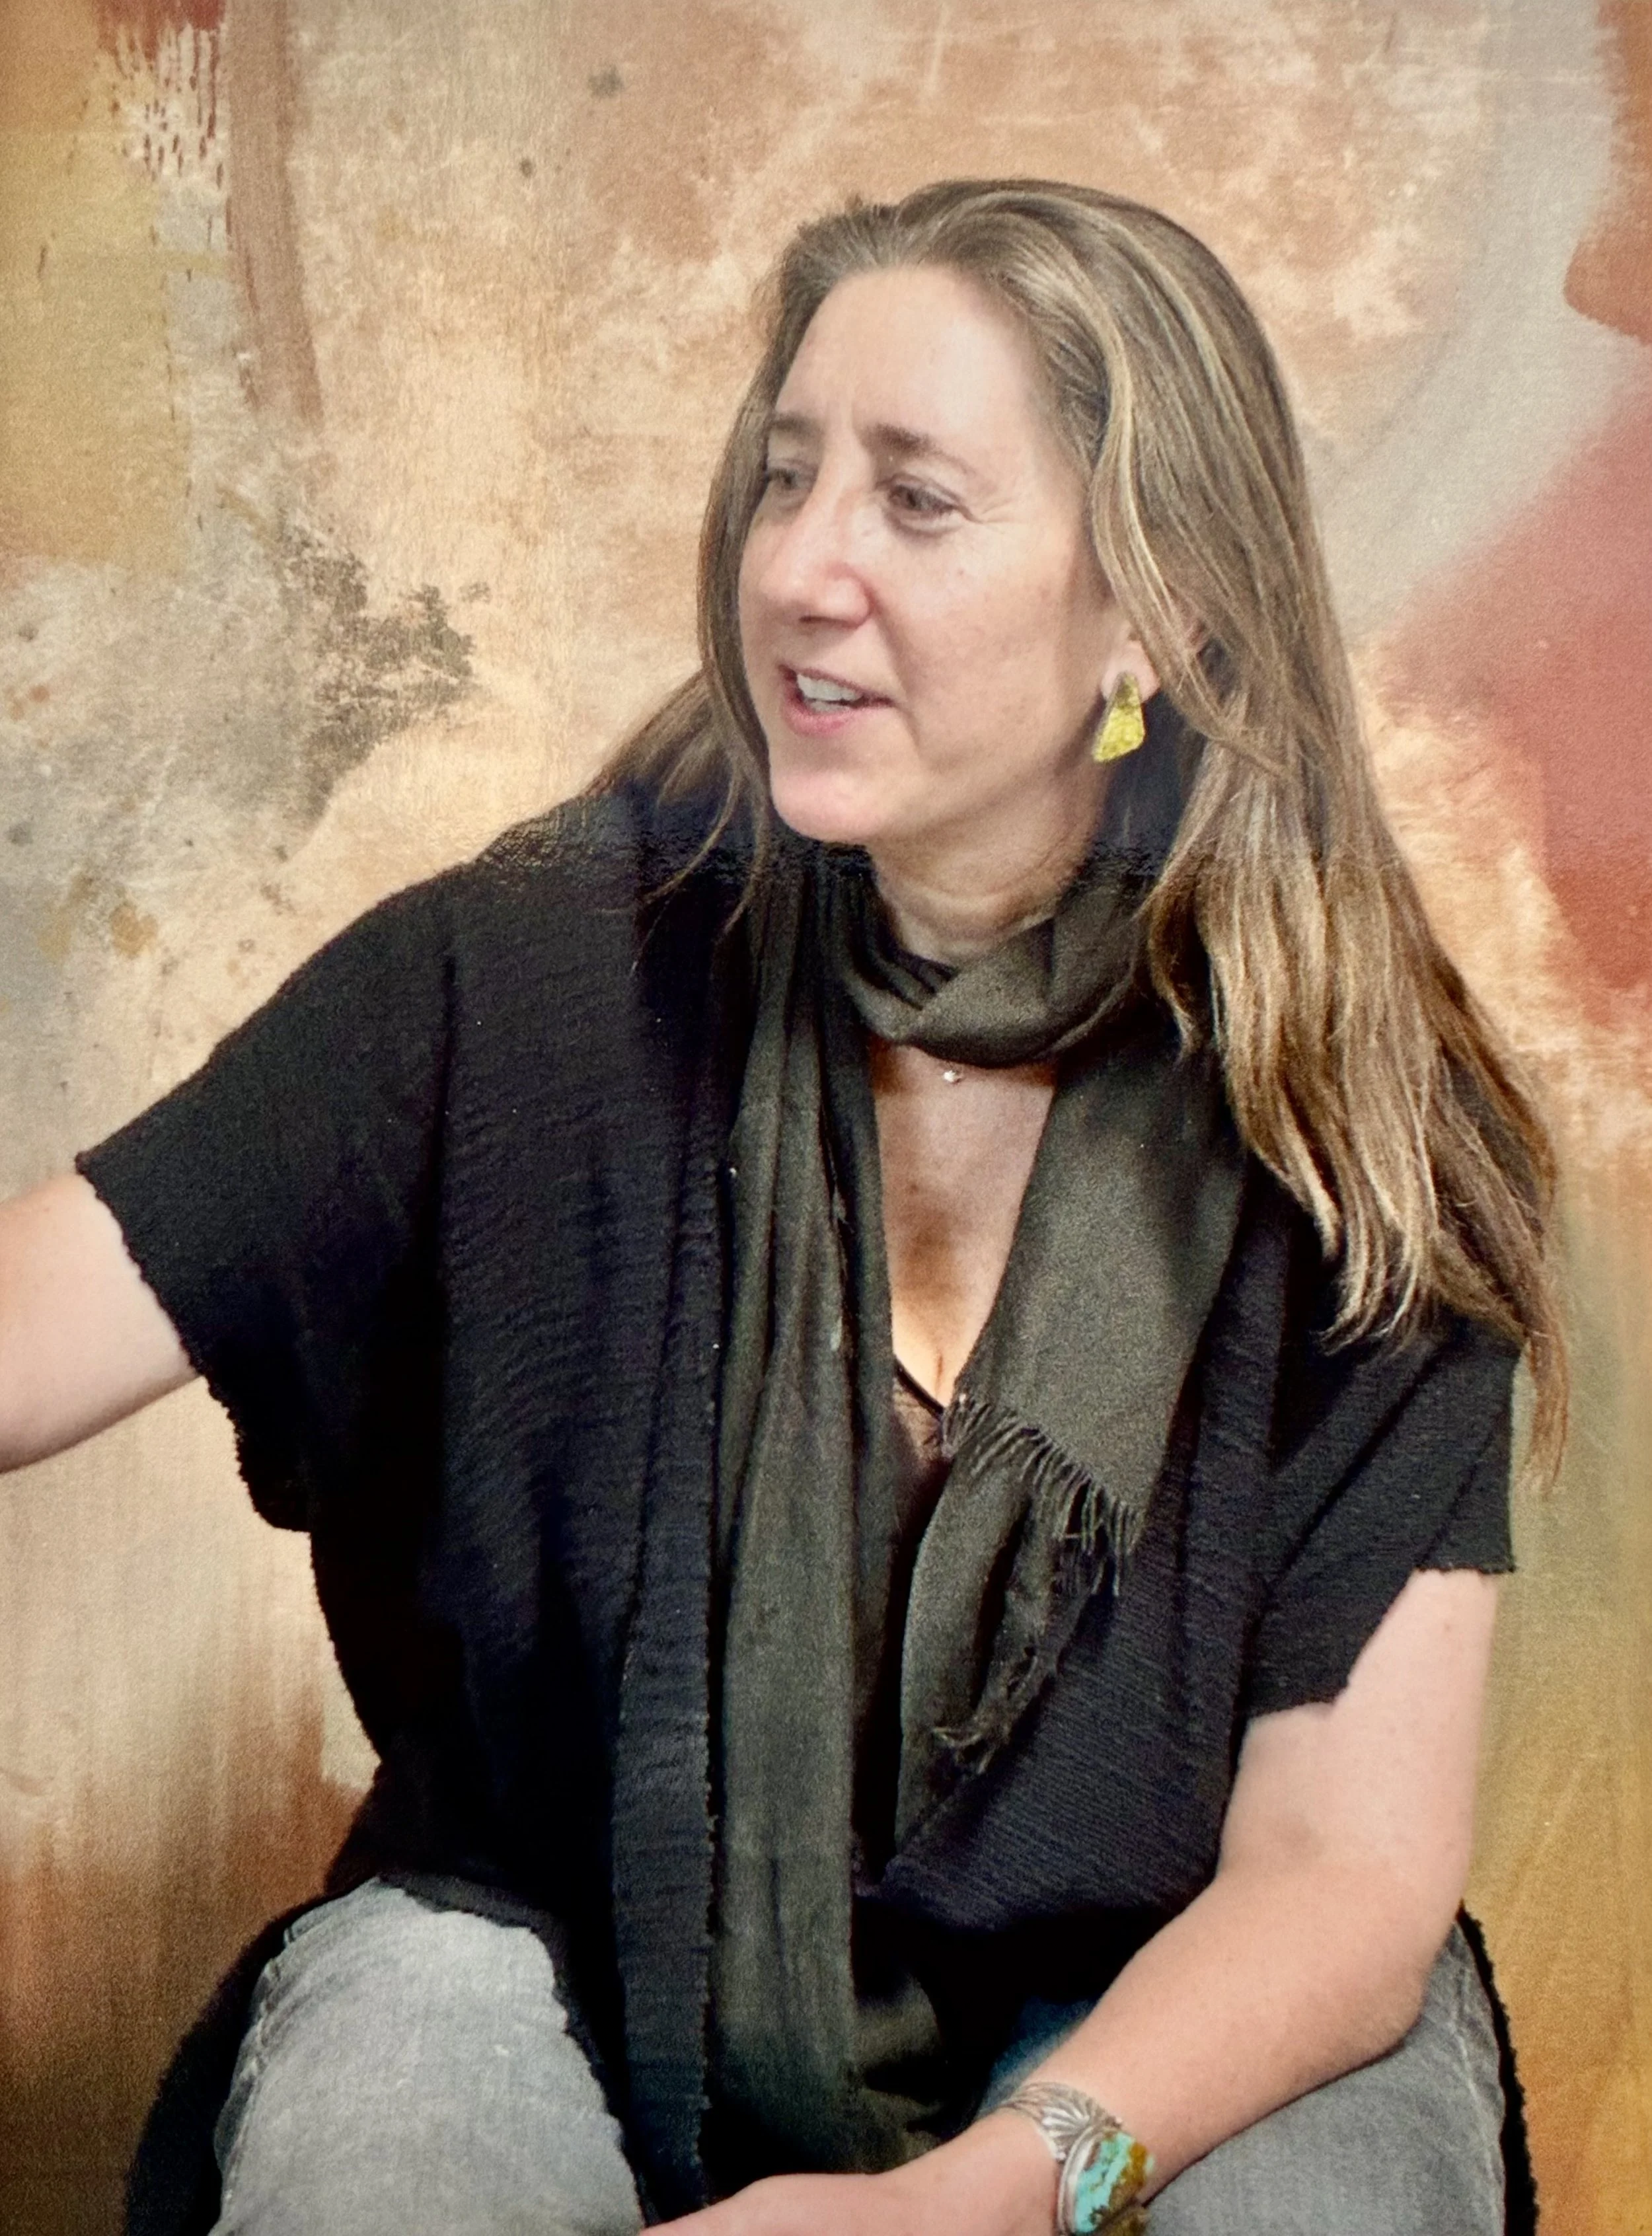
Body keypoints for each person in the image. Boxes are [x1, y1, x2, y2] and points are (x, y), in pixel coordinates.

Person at [0, 179, 1561, 2236]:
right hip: (540, 1942)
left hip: (1171, 1991)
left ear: (1154, 611)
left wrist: (988, 2196)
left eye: (917, 503)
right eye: (786, 478)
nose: (802, 572)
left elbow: (1339, 1883)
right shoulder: (509, 983)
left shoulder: (1359, 1122)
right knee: (382, 2159)